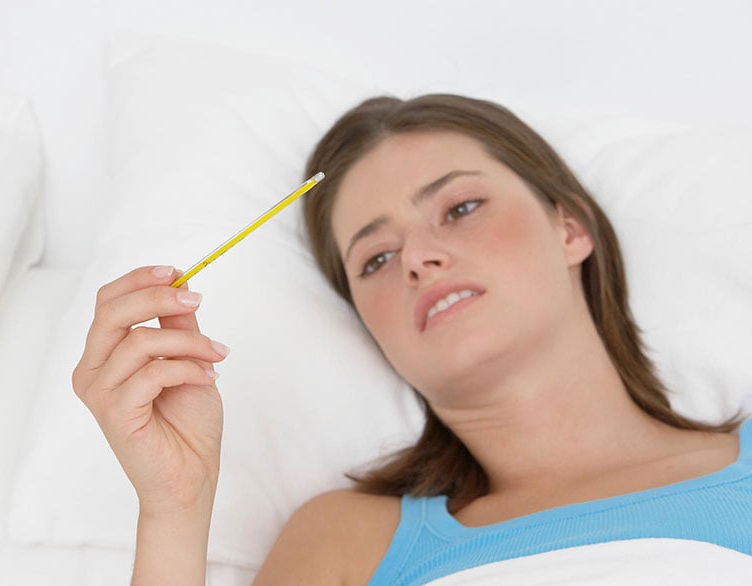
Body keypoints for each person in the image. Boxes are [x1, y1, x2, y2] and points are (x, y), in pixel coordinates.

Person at [73, 94, 750, 585]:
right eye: (375, 259)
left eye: (460, 209)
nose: (419, 259)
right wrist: (175, 510)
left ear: (570, 228)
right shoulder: (349, 541)